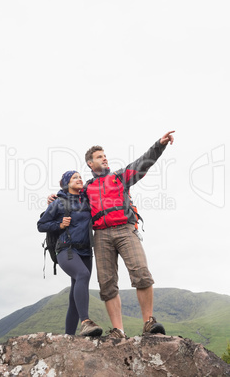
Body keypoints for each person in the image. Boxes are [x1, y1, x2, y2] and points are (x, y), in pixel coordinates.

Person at [48, 131, 175, 339]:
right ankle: (118, 330)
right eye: (99, 156)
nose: (104, 158)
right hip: (101, 235)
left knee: (141, 271)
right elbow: (68, 197)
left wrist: (159, 145)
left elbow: (143, 163)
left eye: (105, 155)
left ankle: (148, 322)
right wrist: (54, 197)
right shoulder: (86, 188)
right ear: (90, 163)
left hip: (126, 229)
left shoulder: (119, 177)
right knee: (107, 283)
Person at [38, 170, 102, 337]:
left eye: (80, 177)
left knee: (76, 296)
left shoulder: (87, 200)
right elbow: (41, 224)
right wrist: (59, 225)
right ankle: (86, 322)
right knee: (82, 274)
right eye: (75, 178)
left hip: (86, 251)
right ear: (67, 183)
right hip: (66, 249)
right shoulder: (58, 203)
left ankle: (69, 337)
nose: (79, 179)